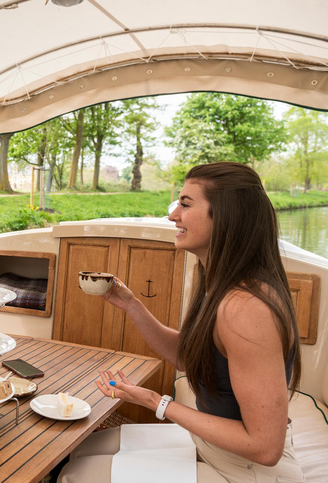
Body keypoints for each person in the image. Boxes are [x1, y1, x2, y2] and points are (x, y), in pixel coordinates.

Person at [60, 162, 303, 483]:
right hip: (213, 446)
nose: (172, 214)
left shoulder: (246, 307)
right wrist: (132, 306)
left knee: (76, 475)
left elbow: (264, 447)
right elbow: (192, 359)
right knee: (83, 447)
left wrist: (154, 401)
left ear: (226, 215)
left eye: (186, 204)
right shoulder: (214, 279)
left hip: (247, 470)